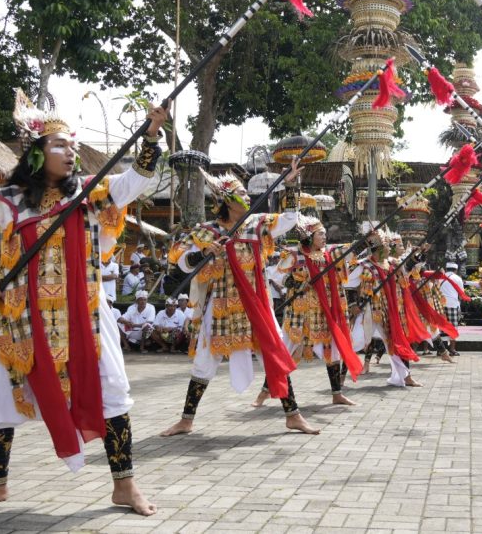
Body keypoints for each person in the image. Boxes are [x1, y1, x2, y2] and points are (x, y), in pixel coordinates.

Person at [0, 93, 164, 515]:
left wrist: (151, 135)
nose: (71, 151)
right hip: (19, 317)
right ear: (35, 154)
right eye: (59, 145)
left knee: (111, 391)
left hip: (86, 315)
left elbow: (134, 181)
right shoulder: (6, 200)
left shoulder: (87, 194)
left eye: (72, 145)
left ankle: (125, 486)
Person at [159, 162, 319, 438]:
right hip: (220, 305)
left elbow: (290, 220)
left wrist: (291, 186)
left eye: (247, 194)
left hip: (257, 304)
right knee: (205, 362)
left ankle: (293, 415)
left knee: (274, 353)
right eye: (242, 195)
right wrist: (204, 253)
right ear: (226, 201)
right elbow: (183, 263)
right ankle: (186, 420)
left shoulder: (255, 225)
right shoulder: (207, 231)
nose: (247, 199)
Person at [255, 215, 359, 407]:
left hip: (324, 310)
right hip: (300, 312)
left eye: (325, 234)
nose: (325, 237)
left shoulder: (329, 254)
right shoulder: (295, 255)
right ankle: (264, 392)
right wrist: (297, 283)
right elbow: (276, 276)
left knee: (332, 352)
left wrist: (364, 241)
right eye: (321, 234)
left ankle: (337, 394)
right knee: (287, 350)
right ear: (310, 236)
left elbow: (349, 252)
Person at [344, 224, 421, 387]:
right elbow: (349, 284)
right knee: (354, 342)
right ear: (378, 249)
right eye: (387, 246)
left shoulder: (392, 264)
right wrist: (352, 304)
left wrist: (415, 256)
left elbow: (406, 270)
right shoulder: (363, 265)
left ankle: (405, 376)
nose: (389, 249)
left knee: (396, 341)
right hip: (367, 311)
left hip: (388, 310)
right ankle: (339, 380)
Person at [438, 261, 464, 355]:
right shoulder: (457, 278)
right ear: (455, 270)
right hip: (453, 304)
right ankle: (452, 350)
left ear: (446, 269)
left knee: (441, 327)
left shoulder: (440, 277)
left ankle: (441, 350)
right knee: (453, 327)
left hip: (440, 305)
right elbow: (461, 293)